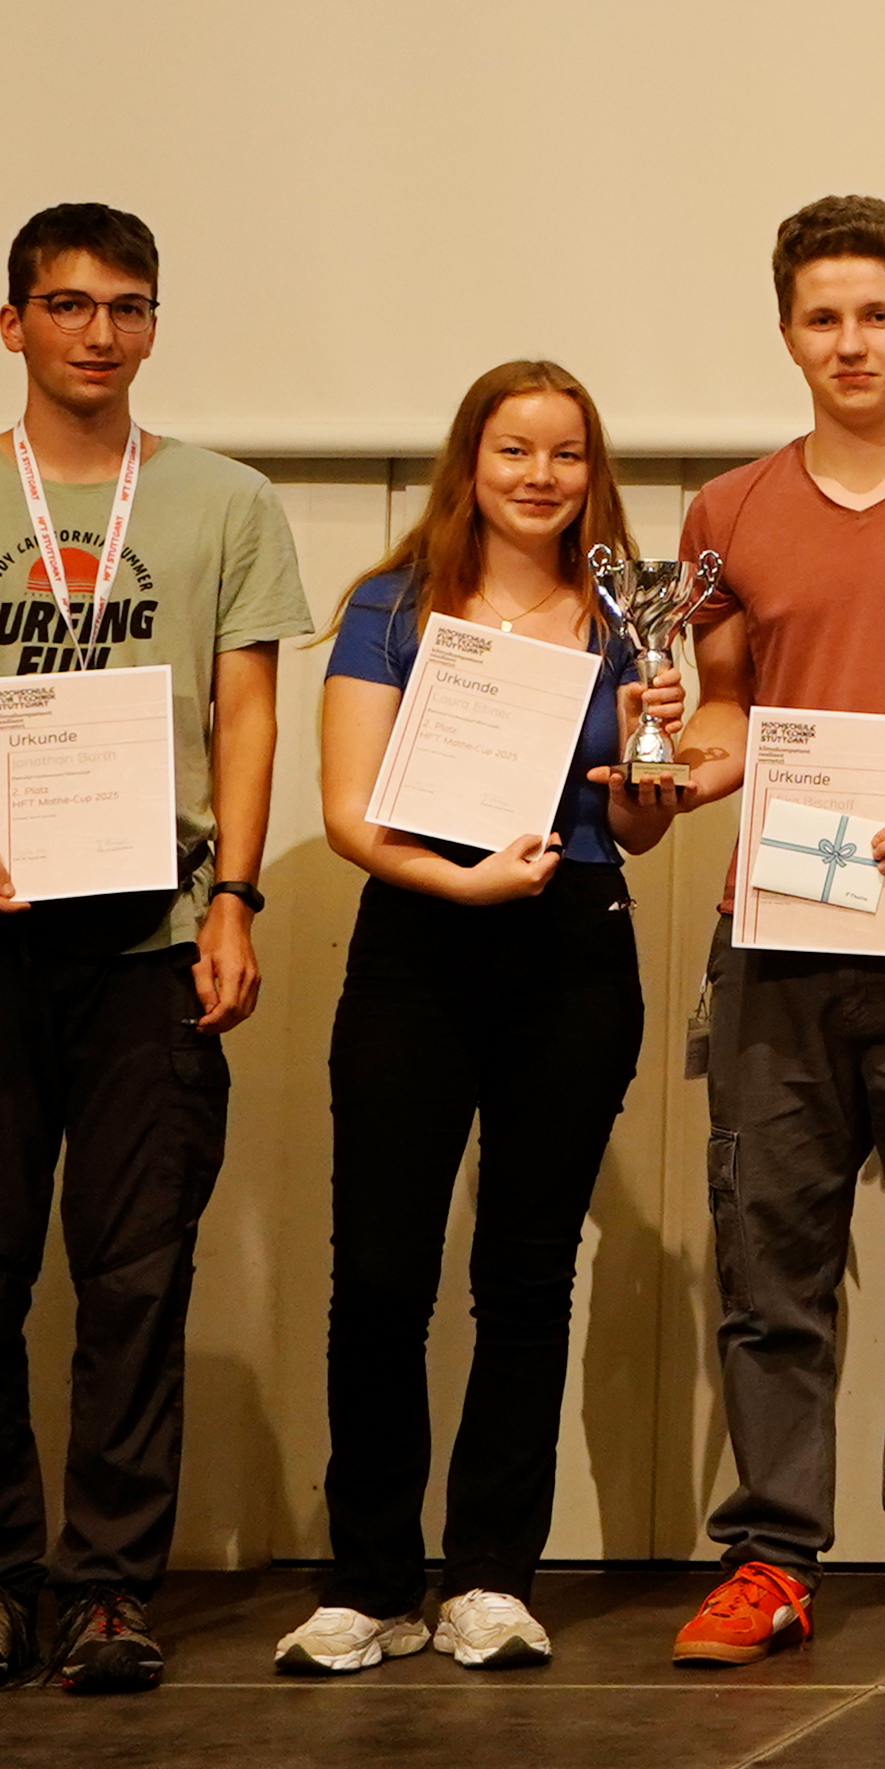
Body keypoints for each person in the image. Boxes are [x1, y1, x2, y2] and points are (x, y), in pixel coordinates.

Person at [0, 201, 310, 1697]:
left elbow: (249, 711)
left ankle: (108, 1586)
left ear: (153, 325)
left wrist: (236, 896)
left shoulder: (225, 502)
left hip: (153, 937)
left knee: (136, 1276)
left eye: (126, 307)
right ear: (13, 324)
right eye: (66, 305)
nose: (97, 333)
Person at [653, 197, 885, 1671]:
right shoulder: (727, 512)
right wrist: (674, 765)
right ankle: (770, 1556)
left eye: (878, 315)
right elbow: (728, 710)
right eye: (824, 318)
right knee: (771, 1264)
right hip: (780, 930)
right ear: (787, 334)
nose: (852, 343)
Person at [281, 359, 684, 1679]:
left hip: (572, 950)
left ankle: (492, 1579)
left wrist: (648, 770)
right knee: (379, 1275)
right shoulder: (393, 607)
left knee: (525, 1276)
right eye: (515, 450)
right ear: (472, 459)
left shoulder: (622, 621)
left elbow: (635, 825)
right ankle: (368, 1584)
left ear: (592, 471)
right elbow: (349, 812)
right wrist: (458, 883)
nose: (541, 476)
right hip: (420, 943)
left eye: (567, 453)